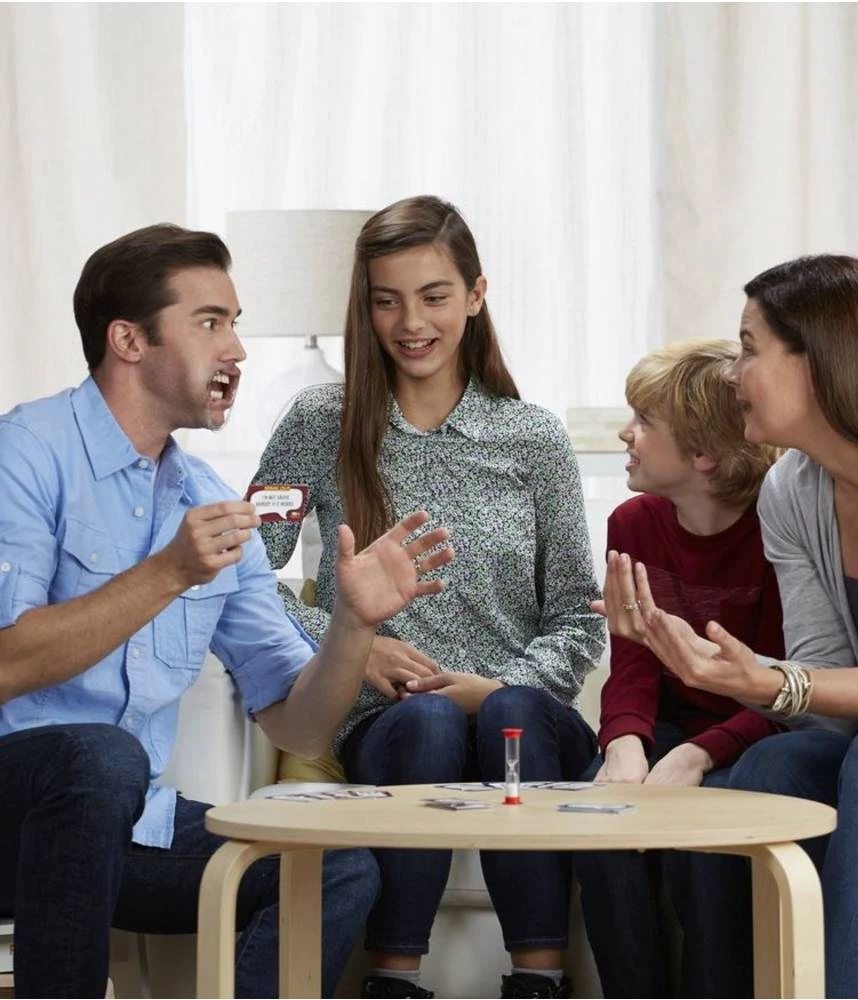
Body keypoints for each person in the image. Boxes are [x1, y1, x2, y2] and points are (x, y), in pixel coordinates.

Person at [0, 223, 456, 999]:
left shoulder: (210, 504)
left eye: (234, 323)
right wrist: (168, 572)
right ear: (128, 340)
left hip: (126, 826)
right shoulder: (27, 452)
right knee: (101, 759)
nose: (237, 349)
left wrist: (353, 625)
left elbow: (299, 725)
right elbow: (8, 661)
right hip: (15, 813)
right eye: (210, 322)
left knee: (334, 869)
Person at [600, 254, 858, 999]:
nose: (731, 374)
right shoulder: (792, 488)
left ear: (819, 363)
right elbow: (820, 688)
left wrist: (766, 681)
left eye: (749, 348)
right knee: (771, 769)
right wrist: (724, 673)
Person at [251, 195, 605, 1000]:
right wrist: (351, 641)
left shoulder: (534, 437)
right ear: (364, 306)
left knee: (508, 713)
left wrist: (498, 687)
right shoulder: (318, 421)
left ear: (476, 296)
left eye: (434, 296)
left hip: (521, 717)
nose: (411, 322)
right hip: (392, 722)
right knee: (430, 722)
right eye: (388, 300)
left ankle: (539, 983)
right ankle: (395, 981)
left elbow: (578, 617)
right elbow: (241, 581)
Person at [572, 340, 784, 998]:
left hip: (754, 734)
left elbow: (786, 688)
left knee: (707, 840)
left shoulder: (778, 529)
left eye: (644, 421)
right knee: (599, 812)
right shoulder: (633, 522)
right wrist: (623, 745)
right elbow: (632, 661)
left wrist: (697, 756)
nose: (625, 433)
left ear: (703, 455)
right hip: (670, 728)